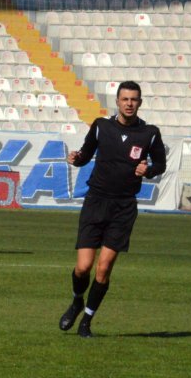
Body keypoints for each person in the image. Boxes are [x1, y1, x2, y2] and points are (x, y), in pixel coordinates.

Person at [59, 81, 166, 338]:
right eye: (125, 99)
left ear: (140, 103)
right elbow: (85, 154)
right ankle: (76, 301)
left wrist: (148, 170)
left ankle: (87, 320)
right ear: (117, 102)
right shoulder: (101, 126)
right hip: (96, 201)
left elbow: (160, 163)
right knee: (83, 267)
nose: (129, 103)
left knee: (104, 268)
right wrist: (76, 159)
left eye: (134, 99)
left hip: (124, 206)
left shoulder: (149, 133)